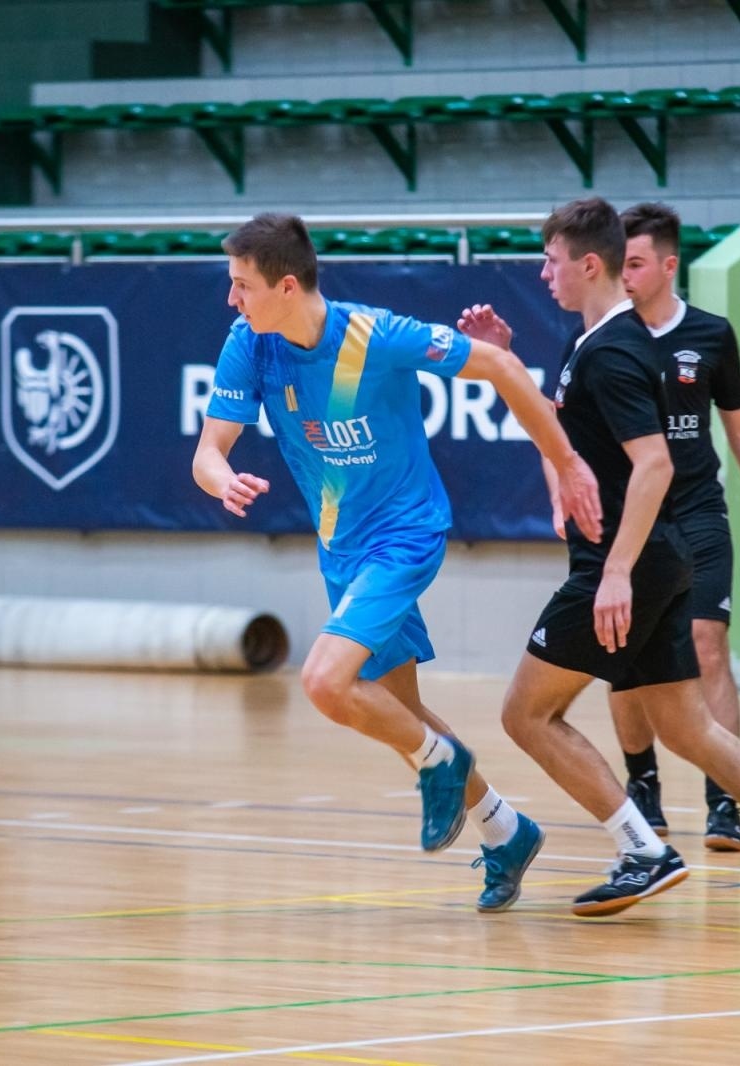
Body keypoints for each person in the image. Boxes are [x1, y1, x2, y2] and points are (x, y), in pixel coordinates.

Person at [193, 212, 603, 912]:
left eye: (242, 286)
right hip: (341, 549)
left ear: (286, 286)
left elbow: (501, 366)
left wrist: (567, 464)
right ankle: (506, 831)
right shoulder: (250, 343)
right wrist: (220, 476)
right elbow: (207, 450)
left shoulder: (372, 335)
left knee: (325, 683)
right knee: (396, 710)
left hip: (405, 536)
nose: (232, 299)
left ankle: (441, 768)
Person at [466, 197, 740, 919]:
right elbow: (567, 442)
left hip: (627, 564)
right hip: (662, 559)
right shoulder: (607, 343)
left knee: (526, 716)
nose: (542, 272)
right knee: (688, 728)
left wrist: (614, 571)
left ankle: (641, 850)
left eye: (551, 260)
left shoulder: (612, 351)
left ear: (589, 264)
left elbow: (654, 467)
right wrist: (507, 362)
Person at [598, 202, 740, 852]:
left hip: (698, 513)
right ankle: (644, 785)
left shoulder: (711, 334)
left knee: (708, 643)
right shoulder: (606, 338)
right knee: (624, 656)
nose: (623, 275)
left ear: (668, 264)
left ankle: (723, 799)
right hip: (633, 522)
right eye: (618, 262)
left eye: (634, 262)